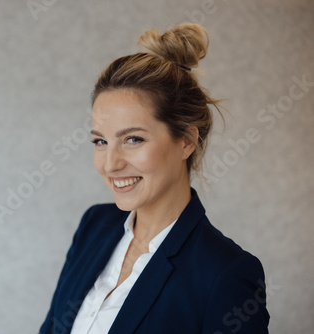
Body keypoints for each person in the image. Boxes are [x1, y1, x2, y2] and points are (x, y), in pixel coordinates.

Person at [39, 23, 270, 334]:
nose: (110, 164)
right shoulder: (94, 226)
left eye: (133, 139)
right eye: (100, 141)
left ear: (187, 140)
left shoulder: (224, 273)